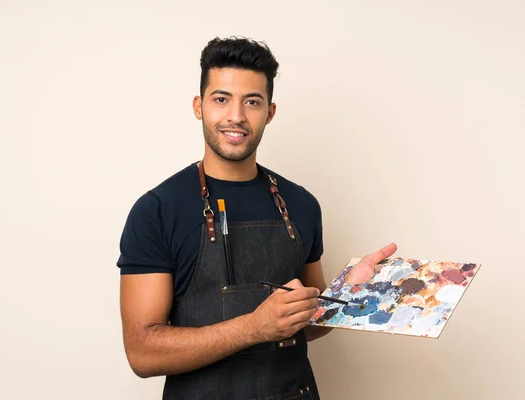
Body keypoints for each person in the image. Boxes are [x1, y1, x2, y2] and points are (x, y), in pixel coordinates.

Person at [116, 36, 397, 400]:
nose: (236, 116)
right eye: (221, 99)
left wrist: (350, 291)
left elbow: (309, 321)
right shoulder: (157, 210)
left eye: (252, 101)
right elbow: (142, 352)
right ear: (199, 106)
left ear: (270, 112)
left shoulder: (301, 204)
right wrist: (254, 327)